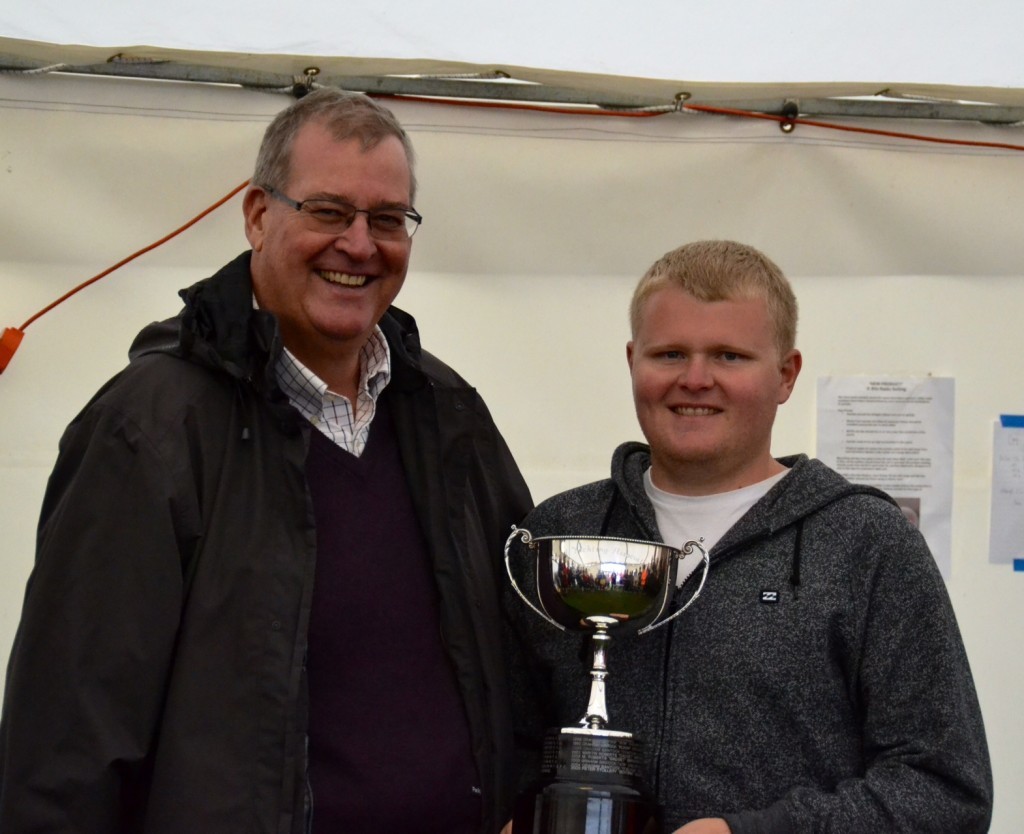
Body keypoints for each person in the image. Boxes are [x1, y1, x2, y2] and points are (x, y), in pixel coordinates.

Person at [0, 88, 532, 833]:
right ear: (257, 215)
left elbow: (524, 650)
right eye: (327, 211)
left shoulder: (449, 412)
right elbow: (68, 736)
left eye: (387, 220)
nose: (359, 243)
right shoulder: (151, 428)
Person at [505, 240, 992, 833]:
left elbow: (946, 791)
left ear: (786, 375)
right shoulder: (561, 533)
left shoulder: (866, 543)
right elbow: (499, 743)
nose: (695, 379)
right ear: (632, 360)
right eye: (669, 353)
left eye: (730, 356)